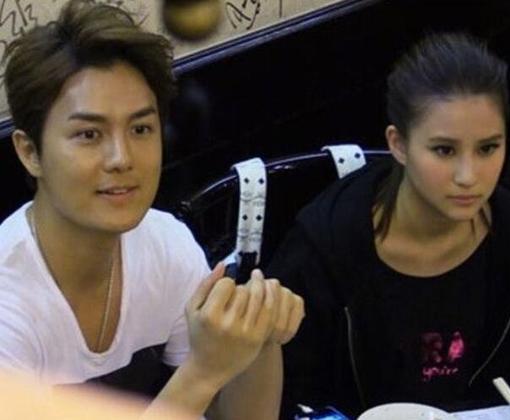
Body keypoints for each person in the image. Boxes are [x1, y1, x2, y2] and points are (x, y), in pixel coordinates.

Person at [0, 1, 304, 419]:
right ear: (30, 152)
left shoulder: (166, 245)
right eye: (89, 134)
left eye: (141, 128)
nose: (121, 158)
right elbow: (198, 381)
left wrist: (259, 335)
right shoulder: (8, 303)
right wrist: (202, 371)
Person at [267, 32, 510, 418]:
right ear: (398, 144)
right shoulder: (323, 250)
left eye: (487, 148)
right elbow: (287, 399)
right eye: (444, 150)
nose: (468, 176)